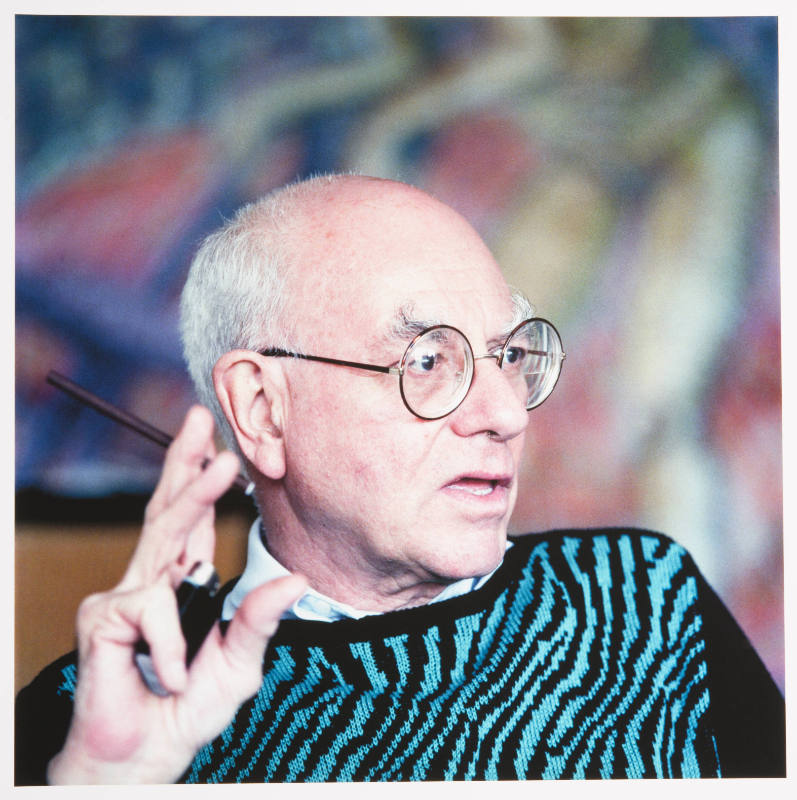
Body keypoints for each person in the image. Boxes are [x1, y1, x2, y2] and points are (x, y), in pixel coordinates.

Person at [15, 175, 785, 783]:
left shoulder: (642, 598)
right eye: (426, 361)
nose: (504, 415)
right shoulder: (96, 720)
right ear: (262, 409)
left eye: (508, 357)